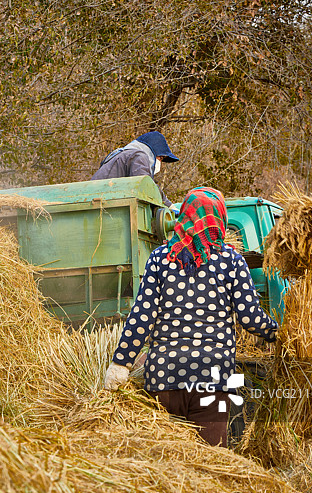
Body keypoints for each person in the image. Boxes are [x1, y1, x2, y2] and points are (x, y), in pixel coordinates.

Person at [102, 187, 278, 446]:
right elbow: (251, 318)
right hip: (212, 378)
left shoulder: (160, 258)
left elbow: (142, 316)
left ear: (183, 217)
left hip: (165, 378)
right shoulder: (231, 261)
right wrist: (279, 334)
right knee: (211, 457)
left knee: (171, 456)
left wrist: (121, 363)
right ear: (219, 219)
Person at [91, 131, 179, 207]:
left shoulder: (123, 154)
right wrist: (168, 206)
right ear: (152, 152)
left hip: (94, 202)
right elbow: (146, 187)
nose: (160, 163)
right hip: (102, 206)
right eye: (160, 158)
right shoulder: (139, 156)